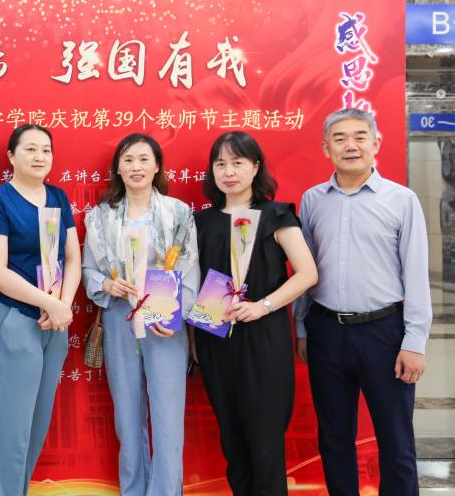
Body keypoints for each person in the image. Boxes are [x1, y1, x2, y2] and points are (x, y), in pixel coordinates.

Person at [294, 108, 431, 496]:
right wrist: (302, 327)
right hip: (326, 331)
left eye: (359, 137)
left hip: (384, 332)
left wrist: (415, 342)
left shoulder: (401, 200)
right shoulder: (312, 200)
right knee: (334, 438)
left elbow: (416, 274)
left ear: (376, 143)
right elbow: (306, 269)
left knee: (396, 441)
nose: (350, 146)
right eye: (339, 139)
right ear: (326, 148)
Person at [192, 131, 317, 496]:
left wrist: (262, 306)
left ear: (256, 167)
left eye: (238, 162)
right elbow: (194, 283)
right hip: (216, 340)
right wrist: (194, 339)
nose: (228, 172)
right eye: (220, 164)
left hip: (264, 339)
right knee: (232, 440)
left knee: (265, 439)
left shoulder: (277, 216)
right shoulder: (201, 222)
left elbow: (307, 274)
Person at [82, 132, 200, 496]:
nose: (136, 167)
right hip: (119, 316)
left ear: (157, 166)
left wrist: (175, 314)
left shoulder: (178, 213)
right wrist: (106, 284)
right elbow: (88, 270)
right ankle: (133, 489)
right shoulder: (100, 217)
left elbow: (189, 268)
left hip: (164, 320)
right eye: (128, 159)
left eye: (144, 159)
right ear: (117, 167)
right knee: (126, 416)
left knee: (168, 417)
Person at [0, 124, 80, 496]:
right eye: (30, 149)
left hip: (54, 324)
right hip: (14, 321)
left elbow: (72, 257)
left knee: (36, 427)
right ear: (11, 156)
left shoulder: (58, 196)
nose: (39, 156)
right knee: (13, 432)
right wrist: (49, 303)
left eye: (46, 149)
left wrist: (62, 306)